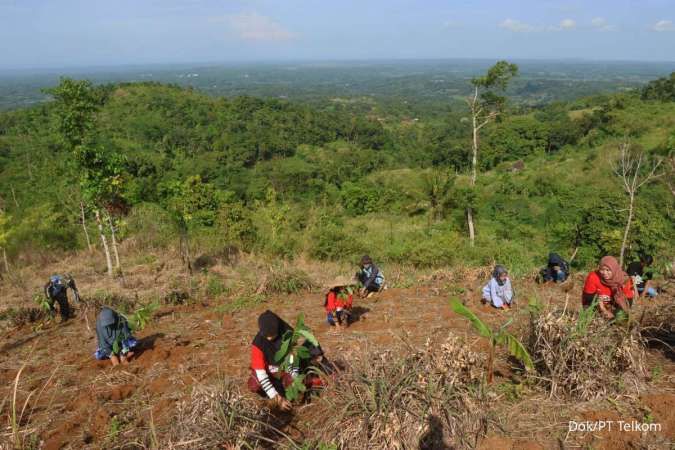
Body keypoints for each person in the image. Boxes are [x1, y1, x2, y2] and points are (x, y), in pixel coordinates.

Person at [248, 310, 323, 411]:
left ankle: (301, 387)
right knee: (254, 384)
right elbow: (261, 374)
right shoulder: (258, 344)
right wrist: (277, 398)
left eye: (272, 335)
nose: (269, 338)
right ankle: (271, 395)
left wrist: (294, 384)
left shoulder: (287, 335)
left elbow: (292, 362)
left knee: (294, 381)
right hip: (269, 373)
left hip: (284, 370)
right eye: (267, 336)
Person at [582, 256, 634, 320]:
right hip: (596, 306)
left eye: (608, 270)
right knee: (590, 316)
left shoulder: (624, 280)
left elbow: (628, 302)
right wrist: (602, 308)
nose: (604, 273)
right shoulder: (593, 277)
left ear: (614, 269)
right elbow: (588, 297)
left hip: (615, 308)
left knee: (621, 317)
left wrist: (613, 314)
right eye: (602, 269)